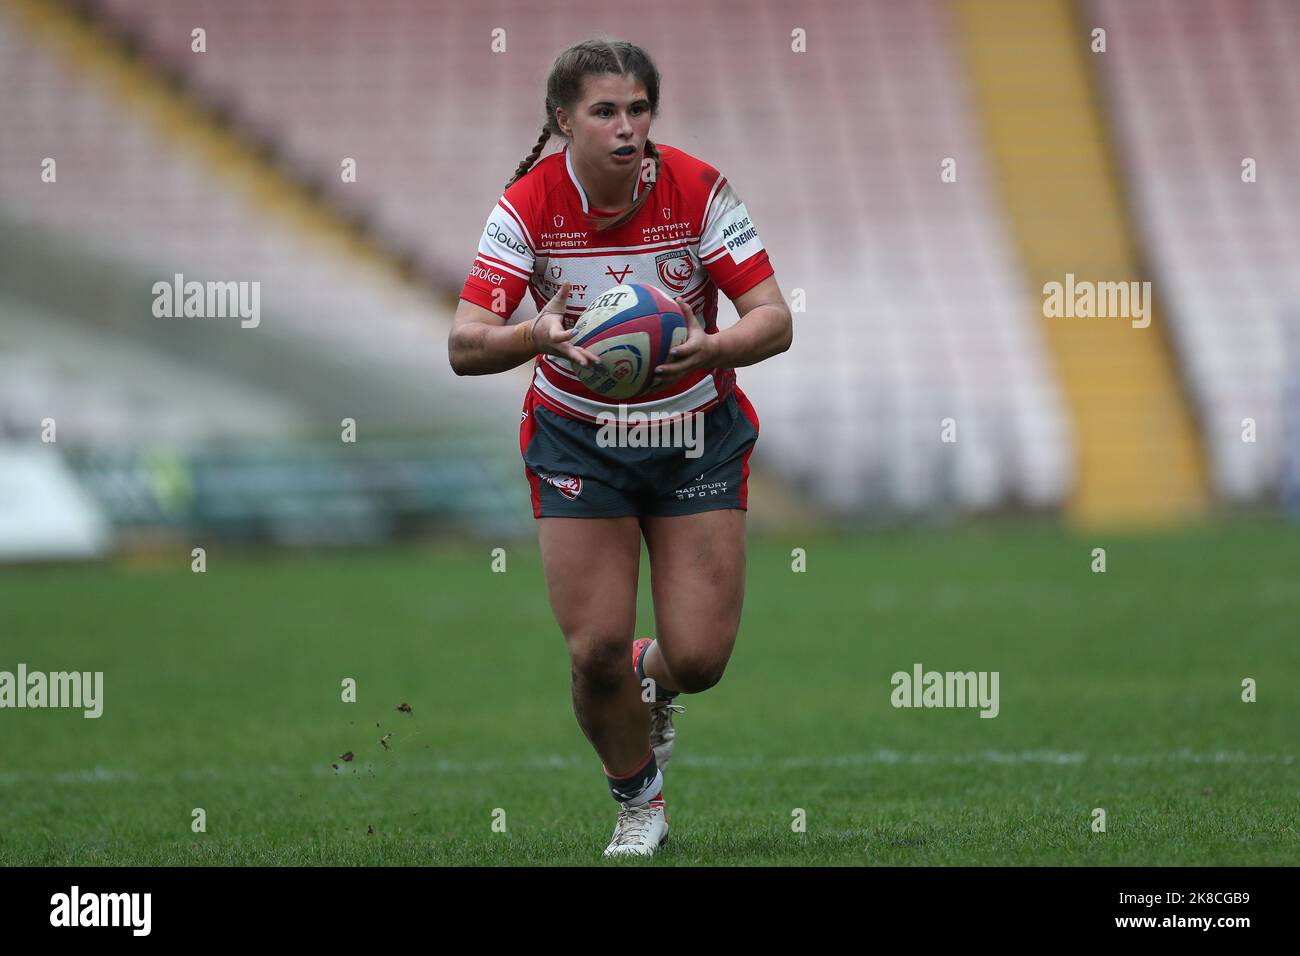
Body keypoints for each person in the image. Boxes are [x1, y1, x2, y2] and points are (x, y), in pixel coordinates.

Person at [448, 37, 792, 857]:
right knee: (593, 650)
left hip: (694, 437)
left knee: (701, 659)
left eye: (639, 108)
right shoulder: (527, 207)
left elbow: (774, 319)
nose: (626, 126)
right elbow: (465, 344)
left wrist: (717, 347)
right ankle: (641, 803)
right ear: (564, 120)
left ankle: (657, 673)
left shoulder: (698, 189)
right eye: (605, 110)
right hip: (581, 441)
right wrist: (535, 332)